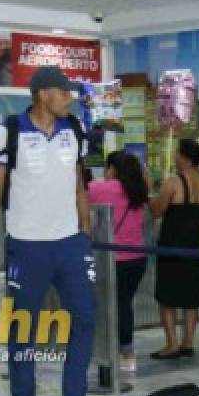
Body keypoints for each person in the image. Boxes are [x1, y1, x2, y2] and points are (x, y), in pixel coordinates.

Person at [0, 66, 105, 396]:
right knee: (24, 327)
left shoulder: (74, 131)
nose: (69, 99)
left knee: (85, 317)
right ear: (44, 94)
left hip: (69, 246)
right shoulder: (8, 132)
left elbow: (79, 186)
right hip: (27, 246)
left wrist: (83, 229)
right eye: (64, 92)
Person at [87, 149, 149, 374]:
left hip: (112, 258)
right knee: (124, 305)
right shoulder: (137, 190)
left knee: (106, 306)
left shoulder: (100, 188)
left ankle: (112, 352)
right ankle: (126, 352)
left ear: (112, 168)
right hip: (137, 257)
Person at [150, 138, 199, 359]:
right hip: (198, 243)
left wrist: (150, 194)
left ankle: (172, 344)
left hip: (173, 244)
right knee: (191, 296)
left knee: (167, 296)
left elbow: (157, 210)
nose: (175, 158)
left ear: (184, 157)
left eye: (177, 153)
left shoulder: (174, 182)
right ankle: (188, 342)